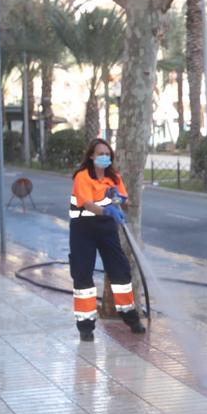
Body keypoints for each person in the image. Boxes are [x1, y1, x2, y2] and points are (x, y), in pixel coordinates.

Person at [69, 138, 146, 341]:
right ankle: (86, 327)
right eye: (100, 153)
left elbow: (125, 200)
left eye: (107, 154)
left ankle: (131, 318)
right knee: (83, 276)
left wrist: (120, 200)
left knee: (121, 272)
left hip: (106, 229)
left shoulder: (114, 177)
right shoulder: (82, 177)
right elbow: (86, 204)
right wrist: (107, 210)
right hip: (83, 230)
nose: (105, 157)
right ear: (92, 156)